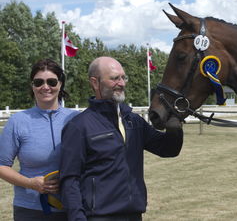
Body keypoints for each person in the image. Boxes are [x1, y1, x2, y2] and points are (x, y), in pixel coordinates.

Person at [60, 56, 183, 221]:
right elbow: (69, 180)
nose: (122, 83)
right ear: (95, 83)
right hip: (98, 216)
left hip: (134, 214)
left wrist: (174, 127)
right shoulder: (79, 127)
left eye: (123, 77)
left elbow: (168, 149)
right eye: (114, 78)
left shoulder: (134, 121)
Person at [0, 59, 79, 221]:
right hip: (30, 210)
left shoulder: (76, 119)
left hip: (73, 207)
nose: (45, 87)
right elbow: (2, 166)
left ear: (60, 84)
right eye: (38, 82)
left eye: (51, 81)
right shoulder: (18, 121)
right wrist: (30, 183)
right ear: (32, 86)